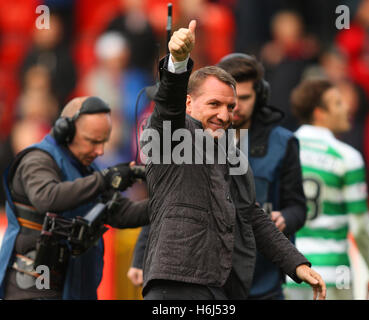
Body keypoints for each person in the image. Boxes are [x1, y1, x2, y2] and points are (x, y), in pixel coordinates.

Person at [138, 20, 326, 300]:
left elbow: (250, 214)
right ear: (188, 103)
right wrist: (178, 63)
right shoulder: (173, 135)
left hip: (218, 287)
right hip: (176, 286)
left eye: (230, 107)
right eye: (214, 104)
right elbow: (168, 107)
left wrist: (296, 263)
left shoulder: (230, 152)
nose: (224, 116)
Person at [0, 96, 149, 300]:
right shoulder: (36, 160)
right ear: (66, 132)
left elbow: (122, 214)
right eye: (93, 141)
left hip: (73, 288)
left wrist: (168, 203)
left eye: (103, 142)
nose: (100, 151)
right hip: (33, 288)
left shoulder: (87, 170)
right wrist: (105, 179)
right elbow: (47, 198)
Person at [216, 53, 307, 300]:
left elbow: (298, 207)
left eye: (244, 98)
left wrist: (284, 218)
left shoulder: (283, 143)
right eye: (230, 100)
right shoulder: (197, 141)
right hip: (211, 284)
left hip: (265, 282)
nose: (236, 107)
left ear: (261, 95)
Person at [284, 79, 369, 300]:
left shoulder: (282, 150)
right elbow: (361, 227)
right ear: (319, 113)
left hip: (290, 273)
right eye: (338, 103)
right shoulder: (347, 156)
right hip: (337, 275)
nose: (346, 107)